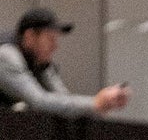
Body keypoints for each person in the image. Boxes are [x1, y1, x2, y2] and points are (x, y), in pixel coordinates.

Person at [0, 9, 129, 117]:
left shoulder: (39, 61)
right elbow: (39, 101)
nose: (55, 46)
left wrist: (104, 103)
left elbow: (63, 100)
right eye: (50, 39)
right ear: (30, 36)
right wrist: (95, 103)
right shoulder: (6, 56)